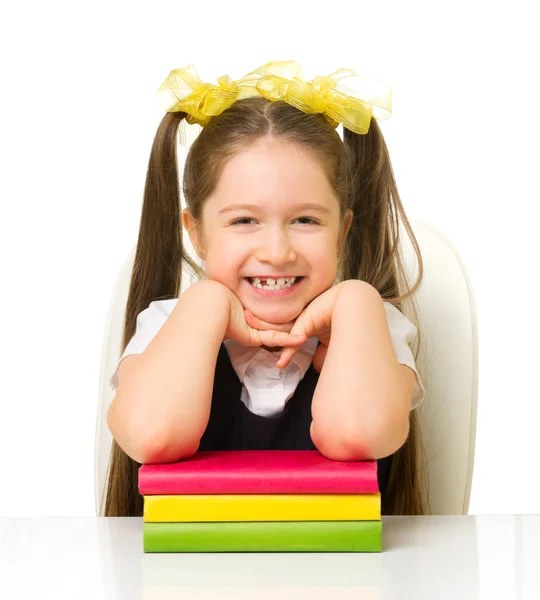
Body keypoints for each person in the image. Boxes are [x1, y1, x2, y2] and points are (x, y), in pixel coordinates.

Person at [103, 60, 430, 518]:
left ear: (342, 232)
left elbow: (357, 434)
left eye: (306, 220)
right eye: (244, 221)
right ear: (195, 233)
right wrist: (206, 303)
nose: (277, 251)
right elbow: (152, 435)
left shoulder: (372, 326)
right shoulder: (168, 324)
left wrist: (358, 300)